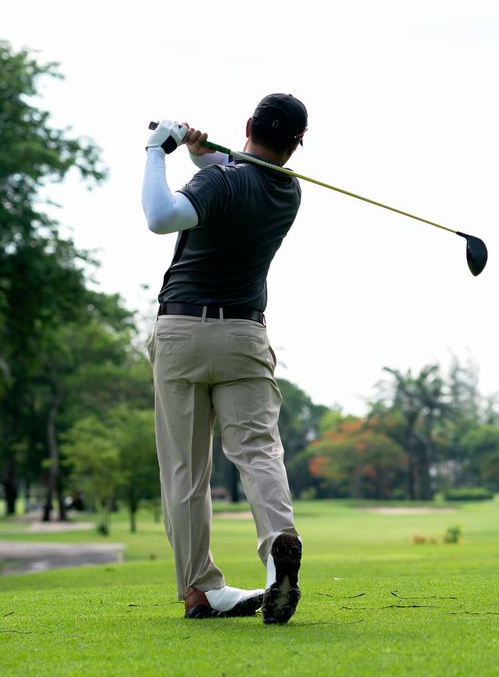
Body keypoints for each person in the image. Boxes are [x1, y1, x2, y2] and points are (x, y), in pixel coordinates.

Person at [141, 94, 308, 624]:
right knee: (258, 451)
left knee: (186, 470)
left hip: (182, 333)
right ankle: (277, 548)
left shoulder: (222, 182)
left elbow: (160, 217)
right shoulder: (287, 191)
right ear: (297, 144)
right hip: (243, 337)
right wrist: (197, 152)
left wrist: (155, 151)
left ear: (246, 126)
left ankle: (199, 588)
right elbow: (229, 176)